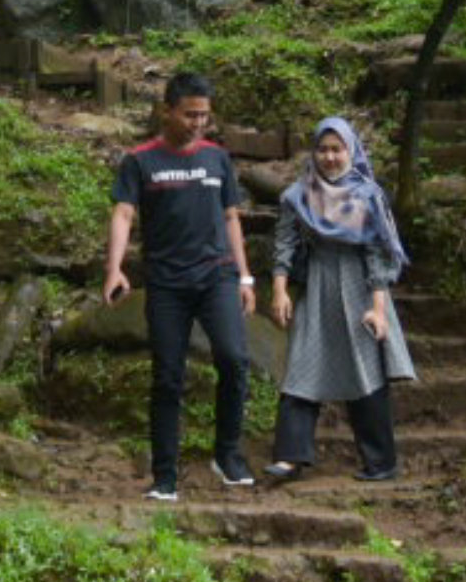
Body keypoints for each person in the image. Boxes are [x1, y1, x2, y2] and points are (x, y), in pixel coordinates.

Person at [100, 70, 257, 502]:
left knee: (235, 359)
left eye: (204, 116)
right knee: (168, 376)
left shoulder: (217, 159)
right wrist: (114, 269)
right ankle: (165, 475)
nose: (198, 124)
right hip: (167, 282)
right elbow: (123, 214)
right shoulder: (140, 160)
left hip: (217, 276)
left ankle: (226, 454)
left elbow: (231, 218)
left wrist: (245, 276)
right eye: (190, 115)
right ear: (166, 111)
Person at [265, 115, 414, 481]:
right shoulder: (297, 196)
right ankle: (290, 458)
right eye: (323, 149)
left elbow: (379, 254)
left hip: (360, 286)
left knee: (365, 371)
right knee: (302, 363)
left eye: (337, 149)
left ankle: (380, 462)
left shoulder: (368, 196)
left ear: (351, 150)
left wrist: (378, 310)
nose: (330, 157)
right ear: (313, 153)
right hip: (318, 282)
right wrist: (280, 291)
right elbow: (284, 243)